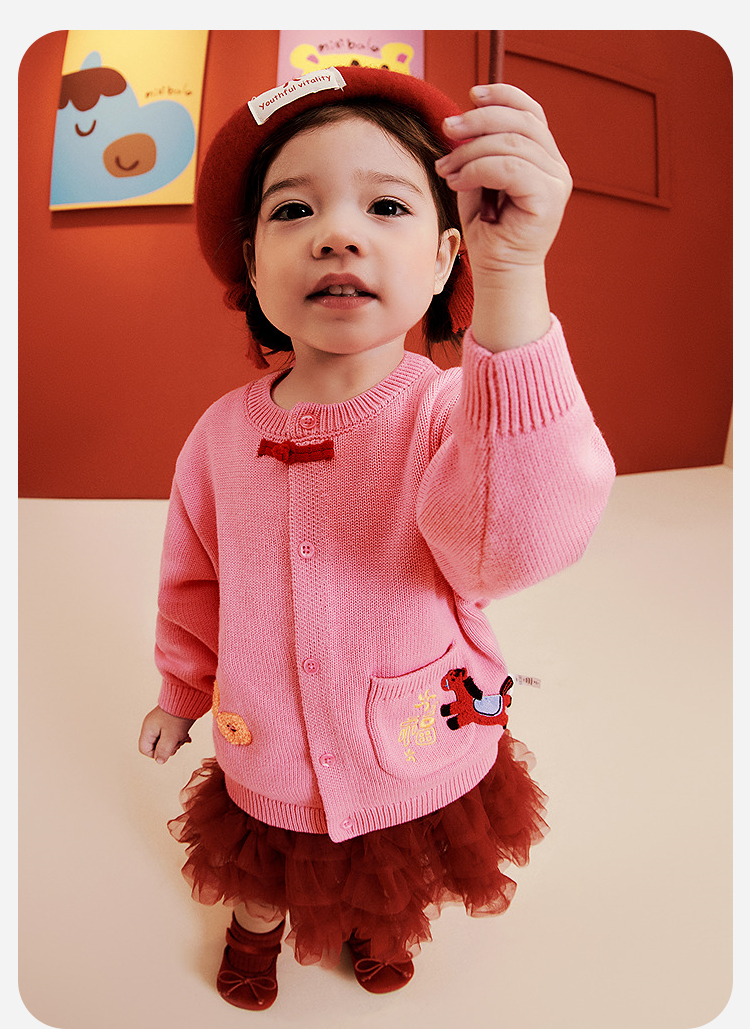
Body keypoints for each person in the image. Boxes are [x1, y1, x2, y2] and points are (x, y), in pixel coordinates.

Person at [138, 64, 615, 1011]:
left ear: (444, 259)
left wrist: (513, 277)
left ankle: (377, 926)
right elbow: (192, 581)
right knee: (265, 861)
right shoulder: (218, 436)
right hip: (269, 734)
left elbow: (511, 542)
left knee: (394, 865)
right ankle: (255, 928)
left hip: (410, 727)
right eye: (293, 210)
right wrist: (182, 689)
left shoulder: (452, 414)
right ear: (251, 265)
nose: (338, 233)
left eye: (386, 205)